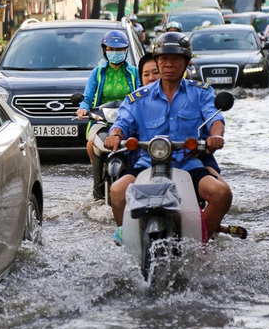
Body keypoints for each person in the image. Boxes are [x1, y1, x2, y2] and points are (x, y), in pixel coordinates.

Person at [105, 32, 246, 245]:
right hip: (146, 165)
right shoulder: (139, 97)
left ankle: (200, 243)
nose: (169, 64)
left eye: (175, 59)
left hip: (188, 164)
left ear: (186, 63)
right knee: (116, 191)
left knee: (222, 193)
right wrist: (115, 135)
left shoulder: (201, 92)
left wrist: (216, 135)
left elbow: (214, 118)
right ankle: (128, 241)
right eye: (164, 59)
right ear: (157, 62)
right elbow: (122, 122)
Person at [76, 30, 139, 163]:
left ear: (125, 50)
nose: (115, 52)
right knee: (91, 144)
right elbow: (87, 98)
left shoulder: (134, 72)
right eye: (111, 49)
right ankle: (97, 177)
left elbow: (141, 96)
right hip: (102, 120)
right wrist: (83, 108)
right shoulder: (97, 73)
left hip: (128, 119)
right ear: (105, 50)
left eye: (119, 49)